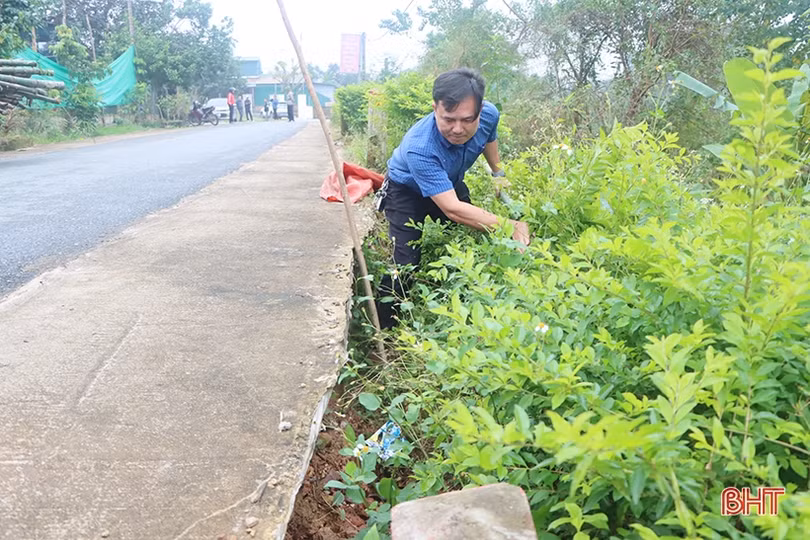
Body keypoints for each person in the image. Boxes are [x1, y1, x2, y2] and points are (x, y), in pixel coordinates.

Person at [375, 68, 530, 329]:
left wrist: (498, 173)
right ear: (435, 108)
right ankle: (384, 330)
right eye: (448, 119)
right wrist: (510, 225)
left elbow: (489, 137)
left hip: (449, 183)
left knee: (469, 239)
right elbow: (453, 209)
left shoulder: (489, 114)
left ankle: (463, 299)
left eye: (468, 120)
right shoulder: (420, 146)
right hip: (406, 192)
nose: (457, 129)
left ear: (480, 112)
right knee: (404, 264)